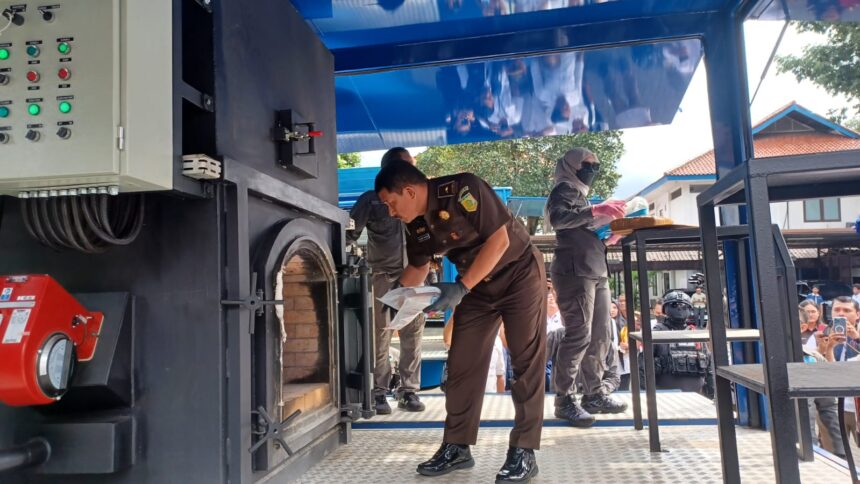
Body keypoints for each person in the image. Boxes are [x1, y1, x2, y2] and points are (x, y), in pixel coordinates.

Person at [375, 161, 546, 482]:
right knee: (462, 362)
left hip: (519, 274)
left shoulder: (464, 189)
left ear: (409, 191)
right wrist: (394, 301)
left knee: (526, 360)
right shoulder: (416, 224)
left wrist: (461, 288)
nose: (391, 212)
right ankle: (457, 446)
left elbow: (500, 242)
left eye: (391, 203)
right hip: (476, 287)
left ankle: (524, 450)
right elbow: (419, 266)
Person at [544, 148, 628, 429]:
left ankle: (594, 393)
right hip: (575, 271)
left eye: (596, 164)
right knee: (579, 334)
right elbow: (559, 218)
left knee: (601, 334)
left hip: (595, 269)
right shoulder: (563, 188)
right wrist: (596, 210)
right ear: (571, 165)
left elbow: (581, 225)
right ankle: (565, 399)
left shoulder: (581, 194)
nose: (592, 168)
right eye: (587, 163)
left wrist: (607, 232)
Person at [347, 148, 426, 415]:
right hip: (382, 277)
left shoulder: (419, 199)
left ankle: (408, 391)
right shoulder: (371, 201)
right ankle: (379, 392)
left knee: (412, 333)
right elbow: (349, 232)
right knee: (381, 334)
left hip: (416, 275)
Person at [640, 291, 714, 398]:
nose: (679, 309)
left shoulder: (695, 334)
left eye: (684, 306)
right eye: (675, 305)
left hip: (697, 398)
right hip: (665, 398)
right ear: (665, 309)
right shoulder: (658, 333)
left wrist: (711, 393)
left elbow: (709, 365)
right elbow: (643, 366)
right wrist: (647, 395)